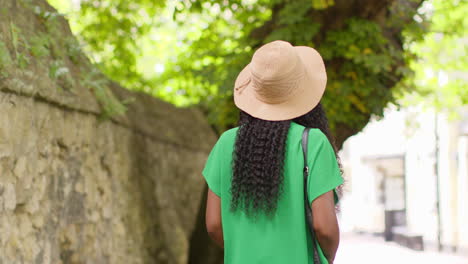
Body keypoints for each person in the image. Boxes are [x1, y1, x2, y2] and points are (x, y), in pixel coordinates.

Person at [202, 40, 344, 264]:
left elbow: (213, 224)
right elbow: (324, 228)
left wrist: (245, 251)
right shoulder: (312, 142)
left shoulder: (226, 143)